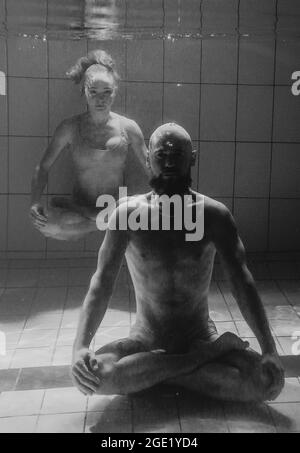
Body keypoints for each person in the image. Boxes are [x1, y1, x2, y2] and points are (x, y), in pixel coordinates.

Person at [71, 123, 284, 403]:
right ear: (148, 158)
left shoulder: (214, 215)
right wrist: (80, 347)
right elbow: (101, 283)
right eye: (161, 155)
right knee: (92, 379)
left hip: (200, 333)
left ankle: (151, 375)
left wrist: (270, 349)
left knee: (266, 383)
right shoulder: (126, 215)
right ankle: (200, 360)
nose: (169, 162)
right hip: (146, 338)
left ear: (192, 157)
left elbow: (242, 282)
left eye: (178, 154)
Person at [30, 50, 148, 241]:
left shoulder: (128, 127)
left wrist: (167, 192)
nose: (100, 99)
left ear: (115, 91)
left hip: (115, 206)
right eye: (93, 92)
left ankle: (103, 224)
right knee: (47, 224)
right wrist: (34, 202)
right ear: (83, 91)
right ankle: (106, 225)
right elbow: (43, 167)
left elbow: (150, 166)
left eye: (106, 92)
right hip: (80, 208)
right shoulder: (69, 127)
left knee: (143, 217)